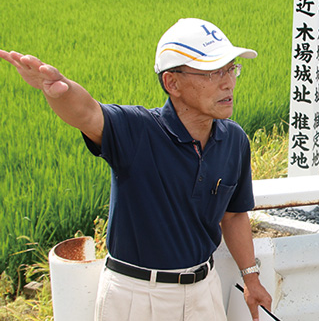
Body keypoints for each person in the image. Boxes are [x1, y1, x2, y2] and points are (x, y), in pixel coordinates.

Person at [0, 18, 272, 321]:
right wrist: (58, 90)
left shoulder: (234, 140)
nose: (228, 82)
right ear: (172, 83)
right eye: (213, 72)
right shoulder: (138, 131)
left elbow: (233, 215)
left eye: (231, 68)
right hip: (136, 296)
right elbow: (88, 113)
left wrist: (251, 278)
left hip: (203, 291)